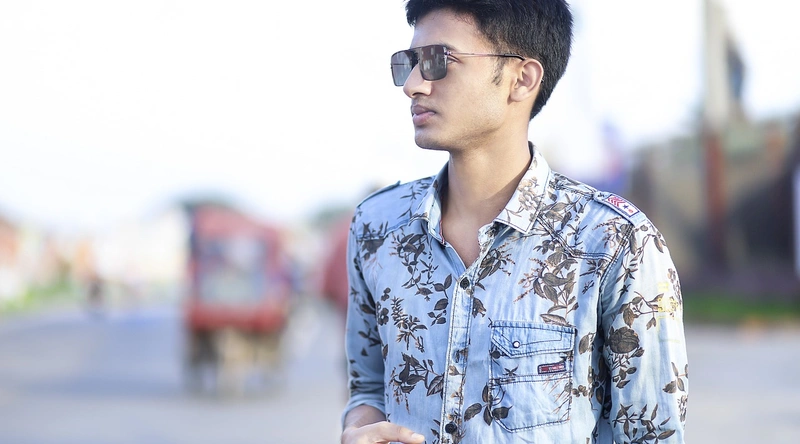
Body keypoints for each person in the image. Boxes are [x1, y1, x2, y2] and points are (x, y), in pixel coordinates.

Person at [341, 1, 689, 443]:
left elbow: (651, 434)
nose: (413, 85)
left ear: (522, 78)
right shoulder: (377, 228)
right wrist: (358, 429)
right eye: (407, 63)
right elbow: (368, 387)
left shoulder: (615, 242)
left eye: (437, 61)